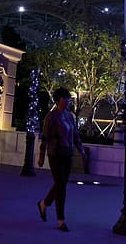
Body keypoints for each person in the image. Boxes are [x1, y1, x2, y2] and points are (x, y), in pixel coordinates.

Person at [37, 87, 87, 232]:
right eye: (65, 98)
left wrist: (82, 151)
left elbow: (76, 135)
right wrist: (41, 157)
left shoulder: (70, 116)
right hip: (55, 154)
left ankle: (44, 203)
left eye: (68, 98)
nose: (67, 101)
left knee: (61, 184)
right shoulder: (51, 117)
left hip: (68, 154)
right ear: (58, 100)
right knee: (61, 185)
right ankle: (61, 220)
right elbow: (45, 138)